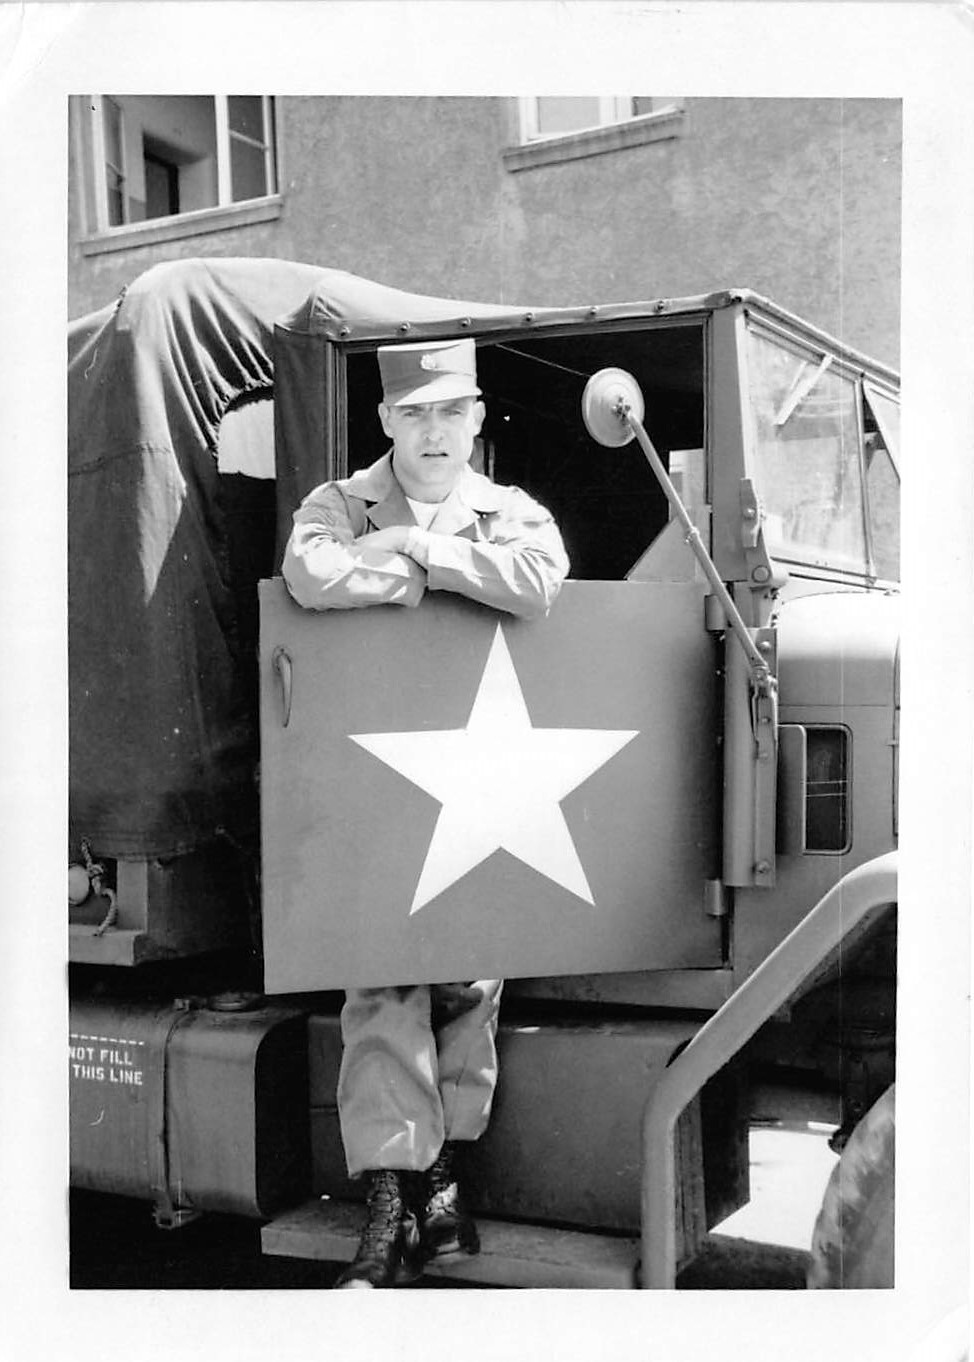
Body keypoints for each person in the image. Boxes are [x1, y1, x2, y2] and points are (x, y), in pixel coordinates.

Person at [282, 337, 570, 1288]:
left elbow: (539, 580)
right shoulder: (337, 503)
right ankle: (397, 1198)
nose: (434, 431)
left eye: (451, 411)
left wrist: (412, 547)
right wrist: (439, 580)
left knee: (470, 973)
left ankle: (438, 1178)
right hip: (373, 770)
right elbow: (311, 573)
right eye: (413, 413)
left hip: (477, 774)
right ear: (385, 421)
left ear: (477, 417)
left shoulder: (511, 509)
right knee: (381, 978)